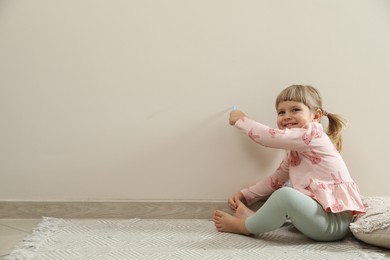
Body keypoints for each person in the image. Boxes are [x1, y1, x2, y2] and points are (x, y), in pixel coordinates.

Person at [214, 85, 366, 242]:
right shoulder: (295, 150)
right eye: (282, 112)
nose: (287, 116)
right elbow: (276, 179)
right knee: (285, 189)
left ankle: (244, 227)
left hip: (332, 224)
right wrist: (246, 194)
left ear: (316, 116)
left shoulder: (314, 135)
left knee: (285, 195)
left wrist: (241, 120)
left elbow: (269, 137)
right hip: (319, 218)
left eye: (295, 110)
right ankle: (255, 218)